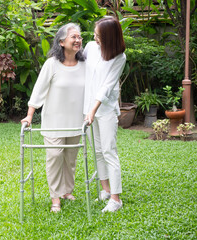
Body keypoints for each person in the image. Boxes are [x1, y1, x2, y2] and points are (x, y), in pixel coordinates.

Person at [21, 23, 85, 213]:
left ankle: (67, 191)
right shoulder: (52, 64)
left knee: (70, 158)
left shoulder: (85, 65)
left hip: (75, 121)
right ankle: (55, 197)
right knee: (55, 156)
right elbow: (38, 91)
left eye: (79, 37)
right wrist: (29, 115)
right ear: (61, 42)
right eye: (73, 37)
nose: (77, 40)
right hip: (54, 122)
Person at [83, 16, 126, 212]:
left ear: (109, 37)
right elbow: (80, 69)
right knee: (97, 151)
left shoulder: (119, 57)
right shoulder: (91, 47)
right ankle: (106, 190)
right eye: (95, 34)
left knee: (109, 151)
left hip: (105, 109)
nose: (94, 37)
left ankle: (116, 199)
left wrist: (94, 109)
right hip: (88, 108)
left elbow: (107, 87)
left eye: (98, 35)